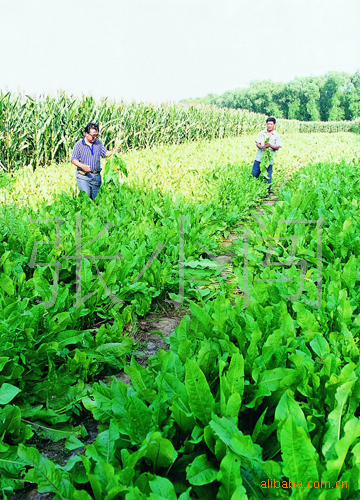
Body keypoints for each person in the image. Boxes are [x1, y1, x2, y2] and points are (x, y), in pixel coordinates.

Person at [71, 123, 114, 200]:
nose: (95, 137)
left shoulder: (98, 143)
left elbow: (105, 153)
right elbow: (73, 159)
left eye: (96, 135)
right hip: (83, 176)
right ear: (86, 133)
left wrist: (113, 151)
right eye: (93, 135)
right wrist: (82, 166)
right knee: (86, 199)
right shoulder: (79, 145)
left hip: (96, 177)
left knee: (97, 200)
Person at [251, 116, 281, 195]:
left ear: (274, 125)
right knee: (254, 175)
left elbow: (277, 147)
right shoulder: (262, 133)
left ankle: (266, 193)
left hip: (268, 160)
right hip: (259, 158)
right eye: (268, 124)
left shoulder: (276, 135)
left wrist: (270, 145)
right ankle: (253, 191)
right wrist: (262, 147)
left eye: (271, 124)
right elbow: (257, 143)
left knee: (267, 177)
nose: (269, 126)